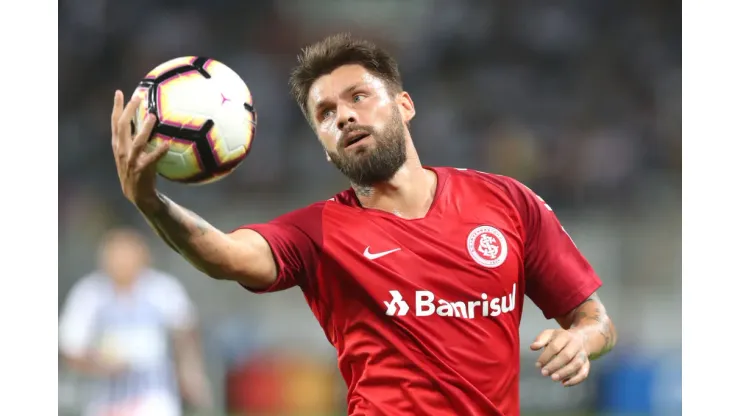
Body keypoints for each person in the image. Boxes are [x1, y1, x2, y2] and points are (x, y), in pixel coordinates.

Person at [109, 33, 617, 415]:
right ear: (324, 147)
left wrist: (580, 341)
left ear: (404, 105)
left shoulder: (508, 202)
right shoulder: (318, 232)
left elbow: (596, 321)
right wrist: (151, 203)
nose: (344, 117)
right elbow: (226, 256)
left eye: (358, 97)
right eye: (325, 114)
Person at [58, 228, 212, 416]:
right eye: (115, 256)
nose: (121, 263)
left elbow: (185, 332)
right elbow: (70, 348)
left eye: (127, 255)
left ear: (144, 257)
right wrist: (100, 363)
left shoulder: (163, 290)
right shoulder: (89, 294)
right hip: (104, 400)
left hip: (154, 397)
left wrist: (190, 373)